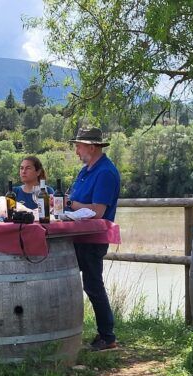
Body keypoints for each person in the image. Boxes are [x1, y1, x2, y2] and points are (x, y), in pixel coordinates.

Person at [68, 127, 120, 351]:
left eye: (79, 146)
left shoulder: (105, 173)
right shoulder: (86, 170)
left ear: (92, 147)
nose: (77, 151)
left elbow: (98, 211)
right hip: (78, 236)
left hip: (92, 238)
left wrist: (71, 205)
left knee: (93, 285)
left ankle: (107, 336)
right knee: (85, 283)